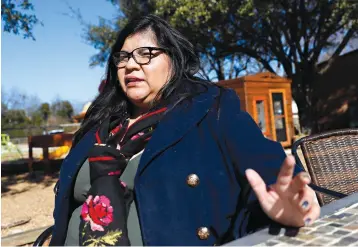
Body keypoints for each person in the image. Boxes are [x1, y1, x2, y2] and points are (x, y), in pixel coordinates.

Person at [49, 14, 320, 246]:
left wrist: (295, 204)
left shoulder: (211, 108)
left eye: (146, 54)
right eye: (123, 57)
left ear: (174, 60)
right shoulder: (101, 121)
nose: (131, 64)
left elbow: (268, 167)